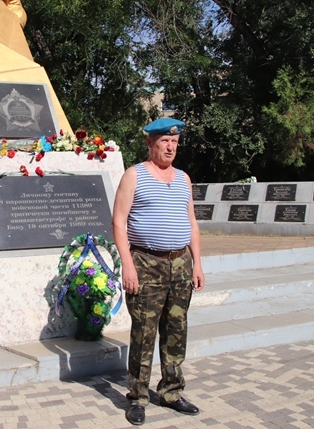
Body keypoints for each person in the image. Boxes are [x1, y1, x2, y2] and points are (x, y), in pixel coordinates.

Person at [112, 117, 205, 426]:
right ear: (151, 144)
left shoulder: (183, 179)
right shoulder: (133, 176)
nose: (170, 147)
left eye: (175, 142)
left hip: (180, 265)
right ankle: (137, 397)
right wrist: (127, 264)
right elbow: (119, 222)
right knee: (143, 333)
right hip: (145, 264)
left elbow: (192, 223)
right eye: (165, 141)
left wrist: (198, 263)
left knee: (176, 331)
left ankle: (171, 391)